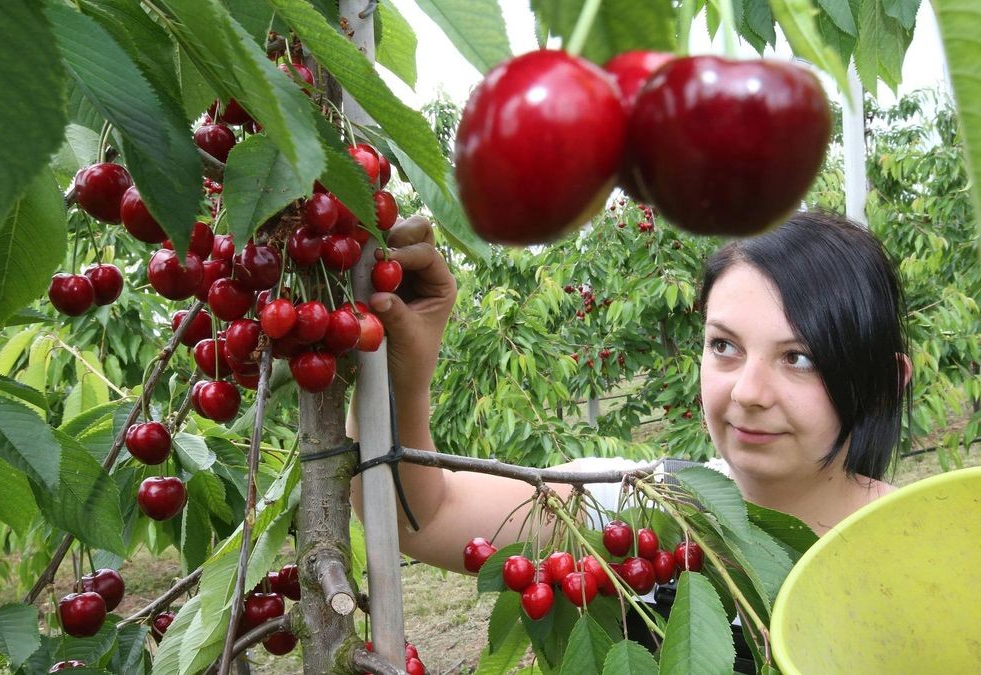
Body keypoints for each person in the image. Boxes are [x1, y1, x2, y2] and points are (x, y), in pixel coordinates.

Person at [351, 209, 912, 574]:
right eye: (724, 346)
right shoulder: (630, 517)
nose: (747, 392)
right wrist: (403, 377)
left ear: (885, 386)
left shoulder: (928, 548)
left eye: (799, 358)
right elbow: (426, 517)